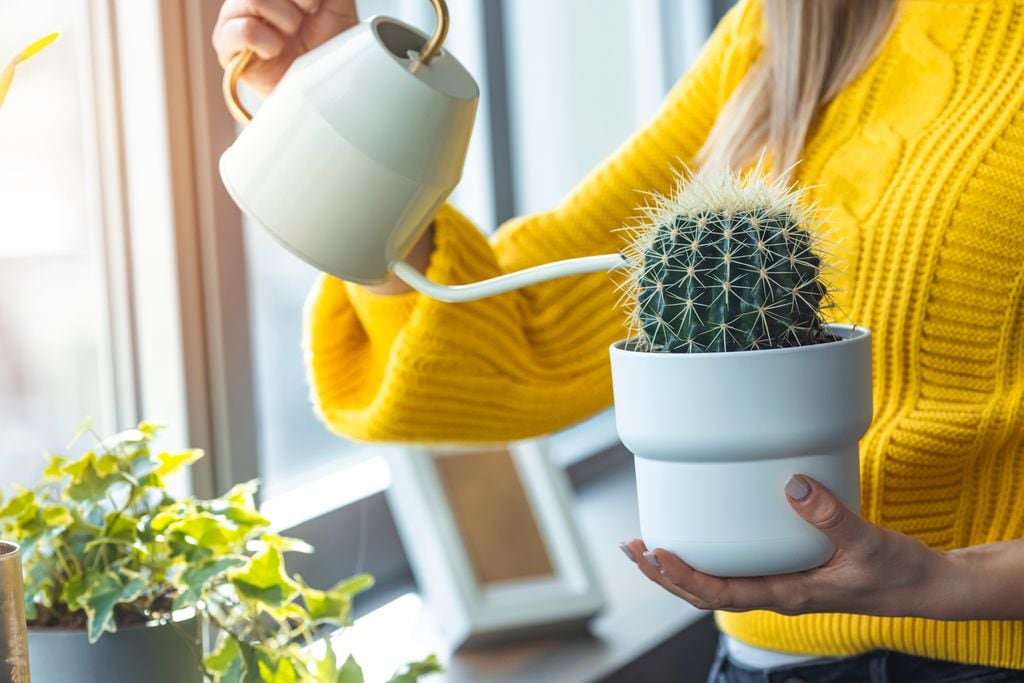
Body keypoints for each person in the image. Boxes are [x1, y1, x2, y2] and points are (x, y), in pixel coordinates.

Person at [213, 0, 1024, 680]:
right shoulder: (801, 22)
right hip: (758, 666)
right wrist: (338, 123)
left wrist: (948, 579)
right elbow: (525, 337)